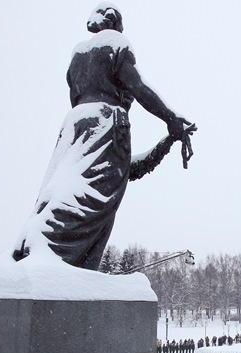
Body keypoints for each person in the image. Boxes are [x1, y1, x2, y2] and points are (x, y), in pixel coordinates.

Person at [13, 3, 193, 269]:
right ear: (116, 24)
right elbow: (138, 86)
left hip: (74, 126)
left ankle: (39, 247)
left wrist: (166, 141)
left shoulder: (77, 55)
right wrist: (170, 118)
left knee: (64, 188)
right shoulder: (116, 44)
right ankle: (54, 258)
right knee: (92, 199)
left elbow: (125, 171)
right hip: (108, 121)